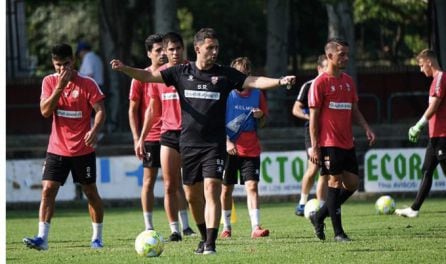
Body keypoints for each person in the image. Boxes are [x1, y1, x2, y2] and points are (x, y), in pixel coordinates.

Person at [111, 27, 295, 255]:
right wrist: (124, 69)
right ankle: (202, 235)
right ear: (198, 48)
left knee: (211, 188)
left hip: (214, 146)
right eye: (210, 47)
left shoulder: (225, 74)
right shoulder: (181, 72)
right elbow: (148, 76)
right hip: (188, 145)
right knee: (191, 196)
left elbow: (254, 81)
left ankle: (210, 242)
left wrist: (280, 81)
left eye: (217, 47)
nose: (215, 51)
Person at [23, 43, 106, 250]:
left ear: (73, 61)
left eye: (66, 64)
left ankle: (97, 238)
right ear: (53, 63)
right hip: (57, 148)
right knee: (48, 190)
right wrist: (60, 87)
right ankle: (42, 238)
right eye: (58, 65)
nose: (62, 69)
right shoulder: (50, 82)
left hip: (83, 149)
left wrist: (94, 130)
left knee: (90, 191)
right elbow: (45, 111)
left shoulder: (88, 83)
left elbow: (100, 111)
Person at [307, 38, 375, 242]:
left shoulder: (348, 81)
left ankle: (319, 216)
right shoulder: (319, 83)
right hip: (329, 143)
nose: (346, 57)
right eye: (341, 54)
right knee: (334, 183)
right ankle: (338, 233)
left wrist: (366, 127)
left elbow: (354, 110)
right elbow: (313, 119)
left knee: (352, 184)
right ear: (329, 57)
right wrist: (315, 147)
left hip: (348, 142)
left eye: (347, 54)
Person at [137, 32, 196, 241]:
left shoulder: (194, 71)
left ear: (184, 49)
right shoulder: (158, 76)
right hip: (168, 134)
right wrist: (141, 137)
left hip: (191, 134)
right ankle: (174, 230)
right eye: (170, 49)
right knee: (169, 184)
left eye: (178, 48)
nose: (174, 52)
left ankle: (200, 226)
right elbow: (152, 109)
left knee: (191, 187)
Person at [220, 57, 270, 239]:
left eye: (246, 73)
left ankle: (256, 227)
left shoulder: (257, 94)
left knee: (252, 186)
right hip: (229, 149)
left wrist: (261, 116)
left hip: (251, 149)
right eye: (239, 73)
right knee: (226, 189)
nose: (243, 76)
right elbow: (216, 121)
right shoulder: (226, 94)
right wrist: (227, 141)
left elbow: (263, 123)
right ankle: (226, 227)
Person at [395, 49, 446, 218]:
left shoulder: (440, 78)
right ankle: (414, 209)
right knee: (426, 169)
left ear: (429, 62)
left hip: (443, 135)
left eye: (421, 65)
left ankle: (414, 208)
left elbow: (435, 105)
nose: (421, 69)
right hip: (435, 136)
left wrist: (418, 125)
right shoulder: (434, 81)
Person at [128, 34, 164, 231]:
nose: (162, 54)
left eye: (164, 49)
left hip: (172, 134)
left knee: (176, 182)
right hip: (150, 136)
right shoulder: (140, 77)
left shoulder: (173, 74)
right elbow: (132, 110)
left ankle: (183, 227)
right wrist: (136, 138)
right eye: (158, 50)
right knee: (148, 181)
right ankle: (148, 226)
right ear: (149, 53)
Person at [292, 55, 328, 216]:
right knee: (313, 167)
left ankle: (321, 206)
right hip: (311, 131)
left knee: (325, 170)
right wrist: (310, 118)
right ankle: (302, 202)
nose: (328, 70)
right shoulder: (309, 86)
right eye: (326, 67)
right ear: (319, 68)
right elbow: (296, 109)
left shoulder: (332, 85)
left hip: (328, 132)